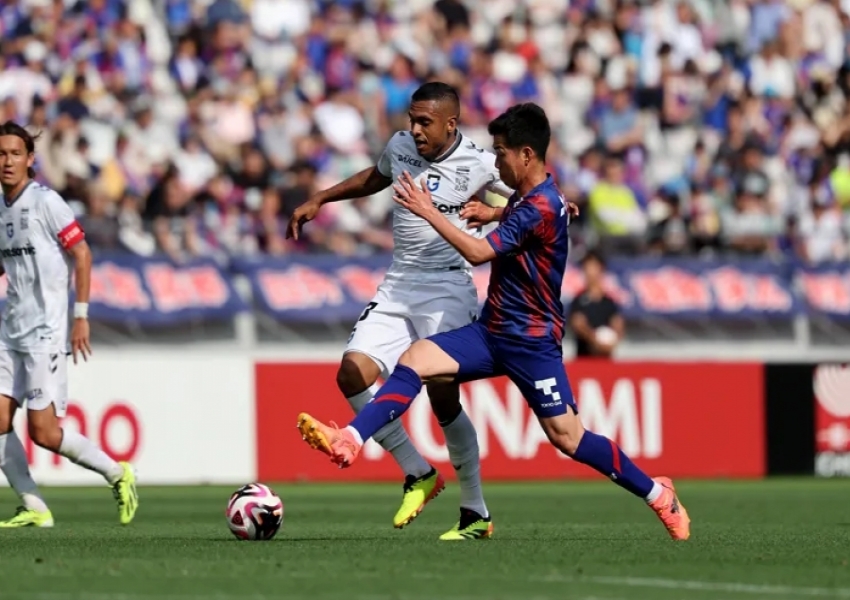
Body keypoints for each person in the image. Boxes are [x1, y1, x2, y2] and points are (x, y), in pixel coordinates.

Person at [297, 103, 690, 542]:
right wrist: (493, 213)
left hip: (532, 342)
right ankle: (352, 438)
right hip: (491, 331)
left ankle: (658, 493)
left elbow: (480, 253)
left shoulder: (540, 203)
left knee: (569, 438)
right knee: (416, 360)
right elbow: (529, 214)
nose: (496, 160)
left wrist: (430, 211)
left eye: (501, 152)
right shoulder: (533, 195)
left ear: (526, 154)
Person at [286, 82, 513, 530]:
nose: (415, 129)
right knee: (351, 373)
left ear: (451, 123)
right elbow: (377, 174)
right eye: (412, 119)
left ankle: (476, 510)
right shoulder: (402, 145)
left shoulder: (481, 163)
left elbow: (532, 200)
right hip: (398, 284)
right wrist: (321, 198)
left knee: (444, 399)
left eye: (425, 122)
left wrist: (497, 211)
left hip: (448, 289)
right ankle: (418, 471)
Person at [0, 122, 138, 528]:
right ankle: (34, 506)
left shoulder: (47, 202)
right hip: (9, 330)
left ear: (30, 160)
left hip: (46, 331)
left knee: (43, 432)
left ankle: (117, 473)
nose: (6, 161)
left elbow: (81, 254)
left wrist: (81, 317)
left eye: (14, 154)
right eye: (0, 154)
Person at [568, 250, 624, 358]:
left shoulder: (609, 301)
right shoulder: (579, 300)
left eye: (592, 267)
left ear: (601, 269)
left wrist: (612, 342)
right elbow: (578, 324)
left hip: (606, 359)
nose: (589, 272)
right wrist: (594, 340)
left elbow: (618, 324)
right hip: (584, 359)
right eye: (586, 268)